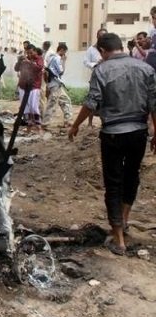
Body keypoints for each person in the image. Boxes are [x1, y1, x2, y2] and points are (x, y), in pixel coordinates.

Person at [69, 33, 156, 256]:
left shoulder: (101, 70)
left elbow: (91, 102)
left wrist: (76, 125)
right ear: (121, 48)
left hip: (113, 135)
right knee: (132, 176)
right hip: (138, 132)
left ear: (102, 51)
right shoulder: (145, 68)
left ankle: (118, 238)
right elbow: (153, 103)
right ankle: (124, 219)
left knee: (113, 183)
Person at [42, 43, 72, 128]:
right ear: (62, 50)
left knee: (66, 100)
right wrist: (64, 61)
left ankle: (67, 120)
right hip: (55, 84)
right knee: (52, 103)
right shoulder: (57, 58)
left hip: (54, 83)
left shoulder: (50, 57)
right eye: (64, 52)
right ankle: (45, 123)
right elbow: (61, 72)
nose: (64, 54)